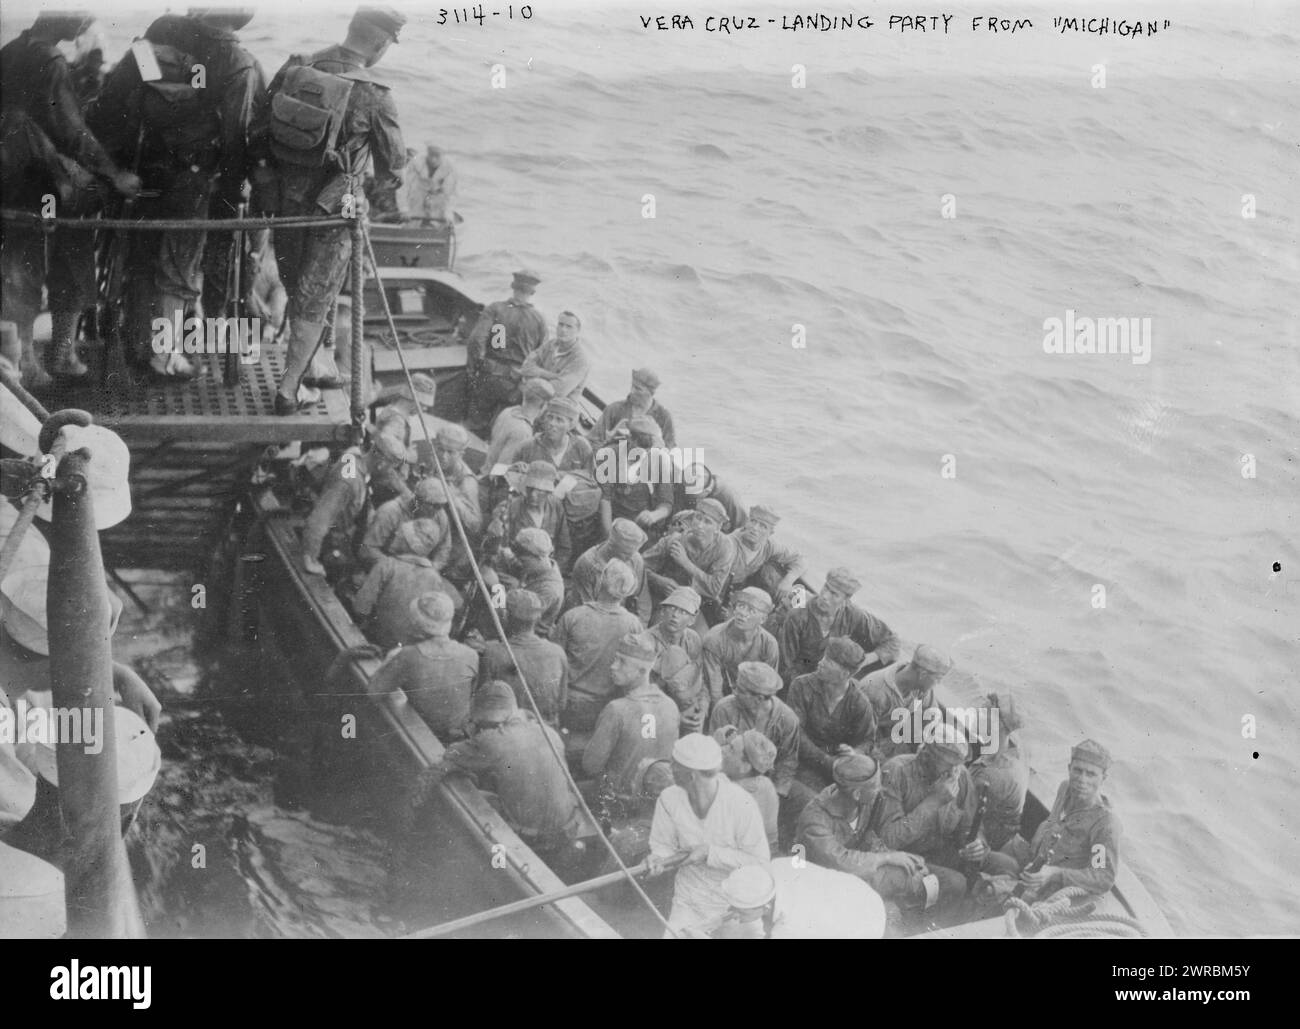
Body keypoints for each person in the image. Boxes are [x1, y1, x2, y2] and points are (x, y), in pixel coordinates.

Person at [92, 7, 263, 382]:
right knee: (180, 269)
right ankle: (164, 358)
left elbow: (109, 108)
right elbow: (236, 140)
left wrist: (117, 170)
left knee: (141, 256)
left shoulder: (162, 40)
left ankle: (138, 346)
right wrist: (231, 200)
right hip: (196, 181)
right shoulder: (240, 62)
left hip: (144, 171)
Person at [254, 5, 407, 412]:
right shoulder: (375, 93)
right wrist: (368, 186)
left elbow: (258, 129)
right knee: (315, 296)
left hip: (287, 200)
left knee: (294, 284)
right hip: (334, 209)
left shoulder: (298, 66)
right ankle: (289, 391)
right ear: (379, 44)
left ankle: (315, 361)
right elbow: (392, 169)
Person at [0, 11, 142, 386]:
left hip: (12, 181)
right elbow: (73, 133)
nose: (82, 25)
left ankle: (22, 360)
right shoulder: (53, 62)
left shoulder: (9, 50)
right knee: (75, 253)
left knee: (19, 269)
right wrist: (115, 174)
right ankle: (62, 353)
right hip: (50, 184)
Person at [796, 753, 966, 919]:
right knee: (900, 892)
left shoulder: (863, 802)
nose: (882, 790)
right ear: (857, 794)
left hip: (863, 874)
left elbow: (872, 836)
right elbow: (842, 861)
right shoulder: (814, 820)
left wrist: (901, 859)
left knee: (950, 882)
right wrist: (887, 858)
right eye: (877, 786)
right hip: (826, 885)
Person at [436, 680, 585, 855]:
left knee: (474, 797)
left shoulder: (491, 740)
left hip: (529, 838)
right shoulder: (549, 732)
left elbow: (451, 753)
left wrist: (476, 736)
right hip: (568, 829)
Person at [646, 734, 769, 937]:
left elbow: (760, 863)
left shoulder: (741, 804)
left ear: (691, 775)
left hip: (736, 905)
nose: (670, 769)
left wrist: (710, 853)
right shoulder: (668, 798)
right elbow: (662, 845)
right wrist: (658, 859)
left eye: (674, 764)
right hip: (690, 901)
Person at [983, 739, 1121, 897]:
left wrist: (1054, 873)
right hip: (1034, 862)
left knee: (990, 890)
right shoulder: (1066, 789)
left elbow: (1102, 877)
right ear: (1069, 769)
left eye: (1091, 774)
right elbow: (1052, 822)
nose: (1082, 780)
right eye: (1078, 771)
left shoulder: (1104, 824)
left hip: (1053, 885)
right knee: (987, 857)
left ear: (1103, 778)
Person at [877, 727, 991, 907]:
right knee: (956, 883)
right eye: (948, 765)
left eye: (957, 765)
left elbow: (970, 826)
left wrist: (977, 844)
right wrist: (934, 802)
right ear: (926, 756)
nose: (954, 772)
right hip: (904, 859)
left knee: (1003, 864)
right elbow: (888, 839)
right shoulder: (897, 772)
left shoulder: (959, 774)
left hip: (939, 851)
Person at [583, 633, 679, 810]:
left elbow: (590, 766)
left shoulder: (617, 709)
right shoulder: (671, 706)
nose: (613, 667)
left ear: (642, 671)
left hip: (619, 803)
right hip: (655, 801)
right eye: (615, 660)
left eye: (622, 662)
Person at [552, 560, 644, 743]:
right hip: (608, 706)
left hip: (569, 703)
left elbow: (555, 664)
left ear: (601, 581)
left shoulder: (573, 616)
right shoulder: (634, 624)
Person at [300, 433, 409, 578]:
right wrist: (311, 560)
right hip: (330, 544)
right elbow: (318, 521)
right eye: (391, 467)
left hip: (341, 534)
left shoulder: (356, 459)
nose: (391, 472)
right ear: (381, 464)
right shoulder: (348, 482)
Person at [369, 592, 476, 738]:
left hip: (418, 735)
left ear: (416, 623)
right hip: (455, 736)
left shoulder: (408, 656)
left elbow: (374, 692)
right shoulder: (471, 655)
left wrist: (390, 658)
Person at [785, 637, 875, 805]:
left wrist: (855, 752)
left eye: (829, 661)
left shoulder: (859, 702)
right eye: (824, 657)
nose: (821, 663)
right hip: (802, 761)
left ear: (845, 673)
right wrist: (827, 762)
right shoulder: (801, 686)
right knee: (815, 802)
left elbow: (868, 740)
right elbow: (796, 733)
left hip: (839, 765)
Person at [776, 567, 899, 686]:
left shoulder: (852, 614)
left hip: (832, 676)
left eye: (834, 594)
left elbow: (892, 642)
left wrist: (865, 660)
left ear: (845, 600)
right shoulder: (798, 616)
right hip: (801, 680)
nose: (825, 596)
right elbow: (786, 666)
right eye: (826, 588)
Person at [717, 858, 887, 940]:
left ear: (765, 906)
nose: (734, 915)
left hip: (864, 922)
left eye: (740, 912)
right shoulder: (775, 867)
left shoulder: (791, 926)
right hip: (854, 890)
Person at [465, 269, 548, 435]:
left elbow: (476, 340)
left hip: (489, 375)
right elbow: (542, 357)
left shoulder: (495, 309)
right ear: (532, 291)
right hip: (516, 382)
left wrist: (475, 366)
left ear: (513, 286)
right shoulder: (539, 319)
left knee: (476, 421)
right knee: (503, 424)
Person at [707, 661, 799, 805]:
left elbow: (787, 763)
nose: (734, 692)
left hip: (769, 784)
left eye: (739, 689)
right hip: (732, 781)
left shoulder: (787, 719)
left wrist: (773, 797)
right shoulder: (724, 709)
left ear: (759, 699)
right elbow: (714, 756)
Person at [478, 589, 568, 730]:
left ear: (506, 617)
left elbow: (483, 704)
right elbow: (562, 704)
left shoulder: (493, 653)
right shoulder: (558, 652)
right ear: (538, 619)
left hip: (508, 734)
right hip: (546, 733)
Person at [351, 551, 462, 651]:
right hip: (408, 646)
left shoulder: (388, 564)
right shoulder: (435, 578)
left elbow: (361, 606)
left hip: (377, 636)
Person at [642, 497, 735, 617]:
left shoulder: (724, 548)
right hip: (667, 601)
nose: (700, 525)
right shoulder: (674, 541)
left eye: (708, 522)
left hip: (698, 605)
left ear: (717, 529)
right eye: (698, 518)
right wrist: (658, 581)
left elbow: (713, 589)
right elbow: (639, 565)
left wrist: (685, 562)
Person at [862, 644, 953, 761]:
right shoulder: (876, 691)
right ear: (923, 674)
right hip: (868, 743)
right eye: (938, 678)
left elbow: (933, 716)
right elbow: (862, 739)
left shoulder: (920, 686)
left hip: (890, 737)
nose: (938, 683)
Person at [485, 460, 572, 573]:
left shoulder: (555, 506)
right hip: (517, 571)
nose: (532, 495)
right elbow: (500, 551)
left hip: (549, 571)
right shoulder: (510, 508)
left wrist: (554, 572)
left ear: (548, 492)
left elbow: (564, 546)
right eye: (530, 489)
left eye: (539, 491)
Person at [596, 415, 675, 538]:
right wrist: (608, 535)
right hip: (614, 518)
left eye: (648, 450)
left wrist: (654, 515)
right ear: (630, 439)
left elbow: (666, 502)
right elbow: (605, 499)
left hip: (643, 523)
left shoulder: (659, 460)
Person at [967, 691, 1027, 851]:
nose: (977, 713)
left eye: (984, 710)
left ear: (998, 724)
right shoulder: (1011, 744)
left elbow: (963, 814)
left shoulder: (992, 775)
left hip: (984, 844)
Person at [700, 586, 780, 703]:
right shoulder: (714, 639)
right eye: (741, 606)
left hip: (751, 698)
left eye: (751, 610)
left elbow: (768, 687)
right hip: (716, 695)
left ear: (762, 619)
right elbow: (714, 691)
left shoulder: (769, 644)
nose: (742, 613)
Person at [358, 477, 452, 572]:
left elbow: (444, 547)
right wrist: (397, 569)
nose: (437, 511)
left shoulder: (440, 516)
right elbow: (368, 549)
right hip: (385, 567)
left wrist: (433, 568)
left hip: (418, 570)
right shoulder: (390, 511)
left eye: (441, 506)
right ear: (418, 501)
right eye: (435, 506)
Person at [647, 586, 707, 734]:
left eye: (683, 612)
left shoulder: (693, 639)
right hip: (653, 711)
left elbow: (700, 683)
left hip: (684, 706)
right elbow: (642, 695)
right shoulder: (647, 641)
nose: (675, 615)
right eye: (672, 608)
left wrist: (703, 710)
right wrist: (675, 717)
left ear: (692, 619)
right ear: (662, 611)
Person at [568, 517, 649, 622]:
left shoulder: (635, 559)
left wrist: (640, 630)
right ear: (611, 546)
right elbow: (583, 611)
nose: (630, 559)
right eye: (626, 554)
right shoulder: (586, 565)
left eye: (633, 554)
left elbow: (643, 601)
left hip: (624, 621)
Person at [491, 527, 565, 638]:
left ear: (540, 557)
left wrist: (497, 588)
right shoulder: (536, 566)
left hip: (524, 638)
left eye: (523, 560)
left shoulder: (549, 590)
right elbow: (505, 555)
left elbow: (508, 623)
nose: (518, 563)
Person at [715, 726, 779, 849]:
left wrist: (713, 744)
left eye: (731, 749)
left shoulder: (726, 790)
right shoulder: (766, 784)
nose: (723, 749)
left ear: (745, 767)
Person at [727, 504, 804, 606]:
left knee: (799, 596)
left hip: (741, 589)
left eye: (763, 526)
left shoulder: (768, 546)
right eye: (753, 521)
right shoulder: (728, 543)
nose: (755, 528)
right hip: (721, 590)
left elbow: (800, 559)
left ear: (770, 533)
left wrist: (788, 581)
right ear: (746, 522)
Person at [502, 395, 593, 474]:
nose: (552, 423)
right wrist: (513, 469)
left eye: (559, 420)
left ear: (570, 425)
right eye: (549, 417)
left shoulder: (581, 447)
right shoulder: (527, 447)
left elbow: (591, 479)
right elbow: (506, 473)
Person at [588, 368, 677, 448]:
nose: (632, 391)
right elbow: (593, 441)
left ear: (651, 393)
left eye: (638, 389)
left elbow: (670, 450)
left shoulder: (664, 417)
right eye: (632, 386)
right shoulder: (614, 409)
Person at [518, 310, 591, 402]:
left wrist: (536, 373)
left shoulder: (580, 359)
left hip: (558, 410)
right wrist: (550, 375)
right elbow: (526, 367)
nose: (563, 330)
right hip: (535, 400)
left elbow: (558, 391)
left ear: (578, 330)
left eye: (569, 327)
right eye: (561, 324)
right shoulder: (551, 344)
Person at [483, 377, 553, 471]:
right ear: (544, 405)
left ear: (524, 396)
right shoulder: (523, 431)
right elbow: (502, 468)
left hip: (486, 467)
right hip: (492, 479)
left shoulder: (508, 411)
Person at [674, 459, 746, 532]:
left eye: (694, 495)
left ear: (706, 491)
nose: (689, 496)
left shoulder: (730, 500)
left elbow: (741, 530)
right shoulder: (689, 479)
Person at [397, 142, 457, 224]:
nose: (433, 159)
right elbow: (404, 189)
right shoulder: (416, 163)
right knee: (412, 224)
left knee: (439, 224)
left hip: (437, 201)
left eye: (437, 156)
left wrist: (448, 213)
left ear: (443, 155)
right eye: (431, 155)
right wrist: (404, 209)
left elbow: (451, 194)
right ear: (427, 153)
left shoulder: (449, 167)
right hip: (417, 198)